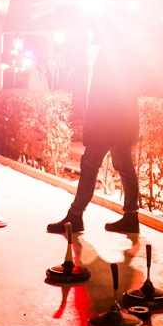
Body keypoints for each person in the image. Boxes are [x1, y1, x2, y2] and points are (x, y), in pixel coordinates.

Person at [47, 15, 141, 235]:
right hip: (118, 123)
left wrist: (93, 125)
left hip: (107, 124)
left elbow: (103, 95)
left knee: (90, 166)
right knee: (125, 168)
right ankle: (130, 216)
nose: (92, 31)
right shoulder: (120, 50)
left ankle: (75, 216)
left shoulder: (111, 53)